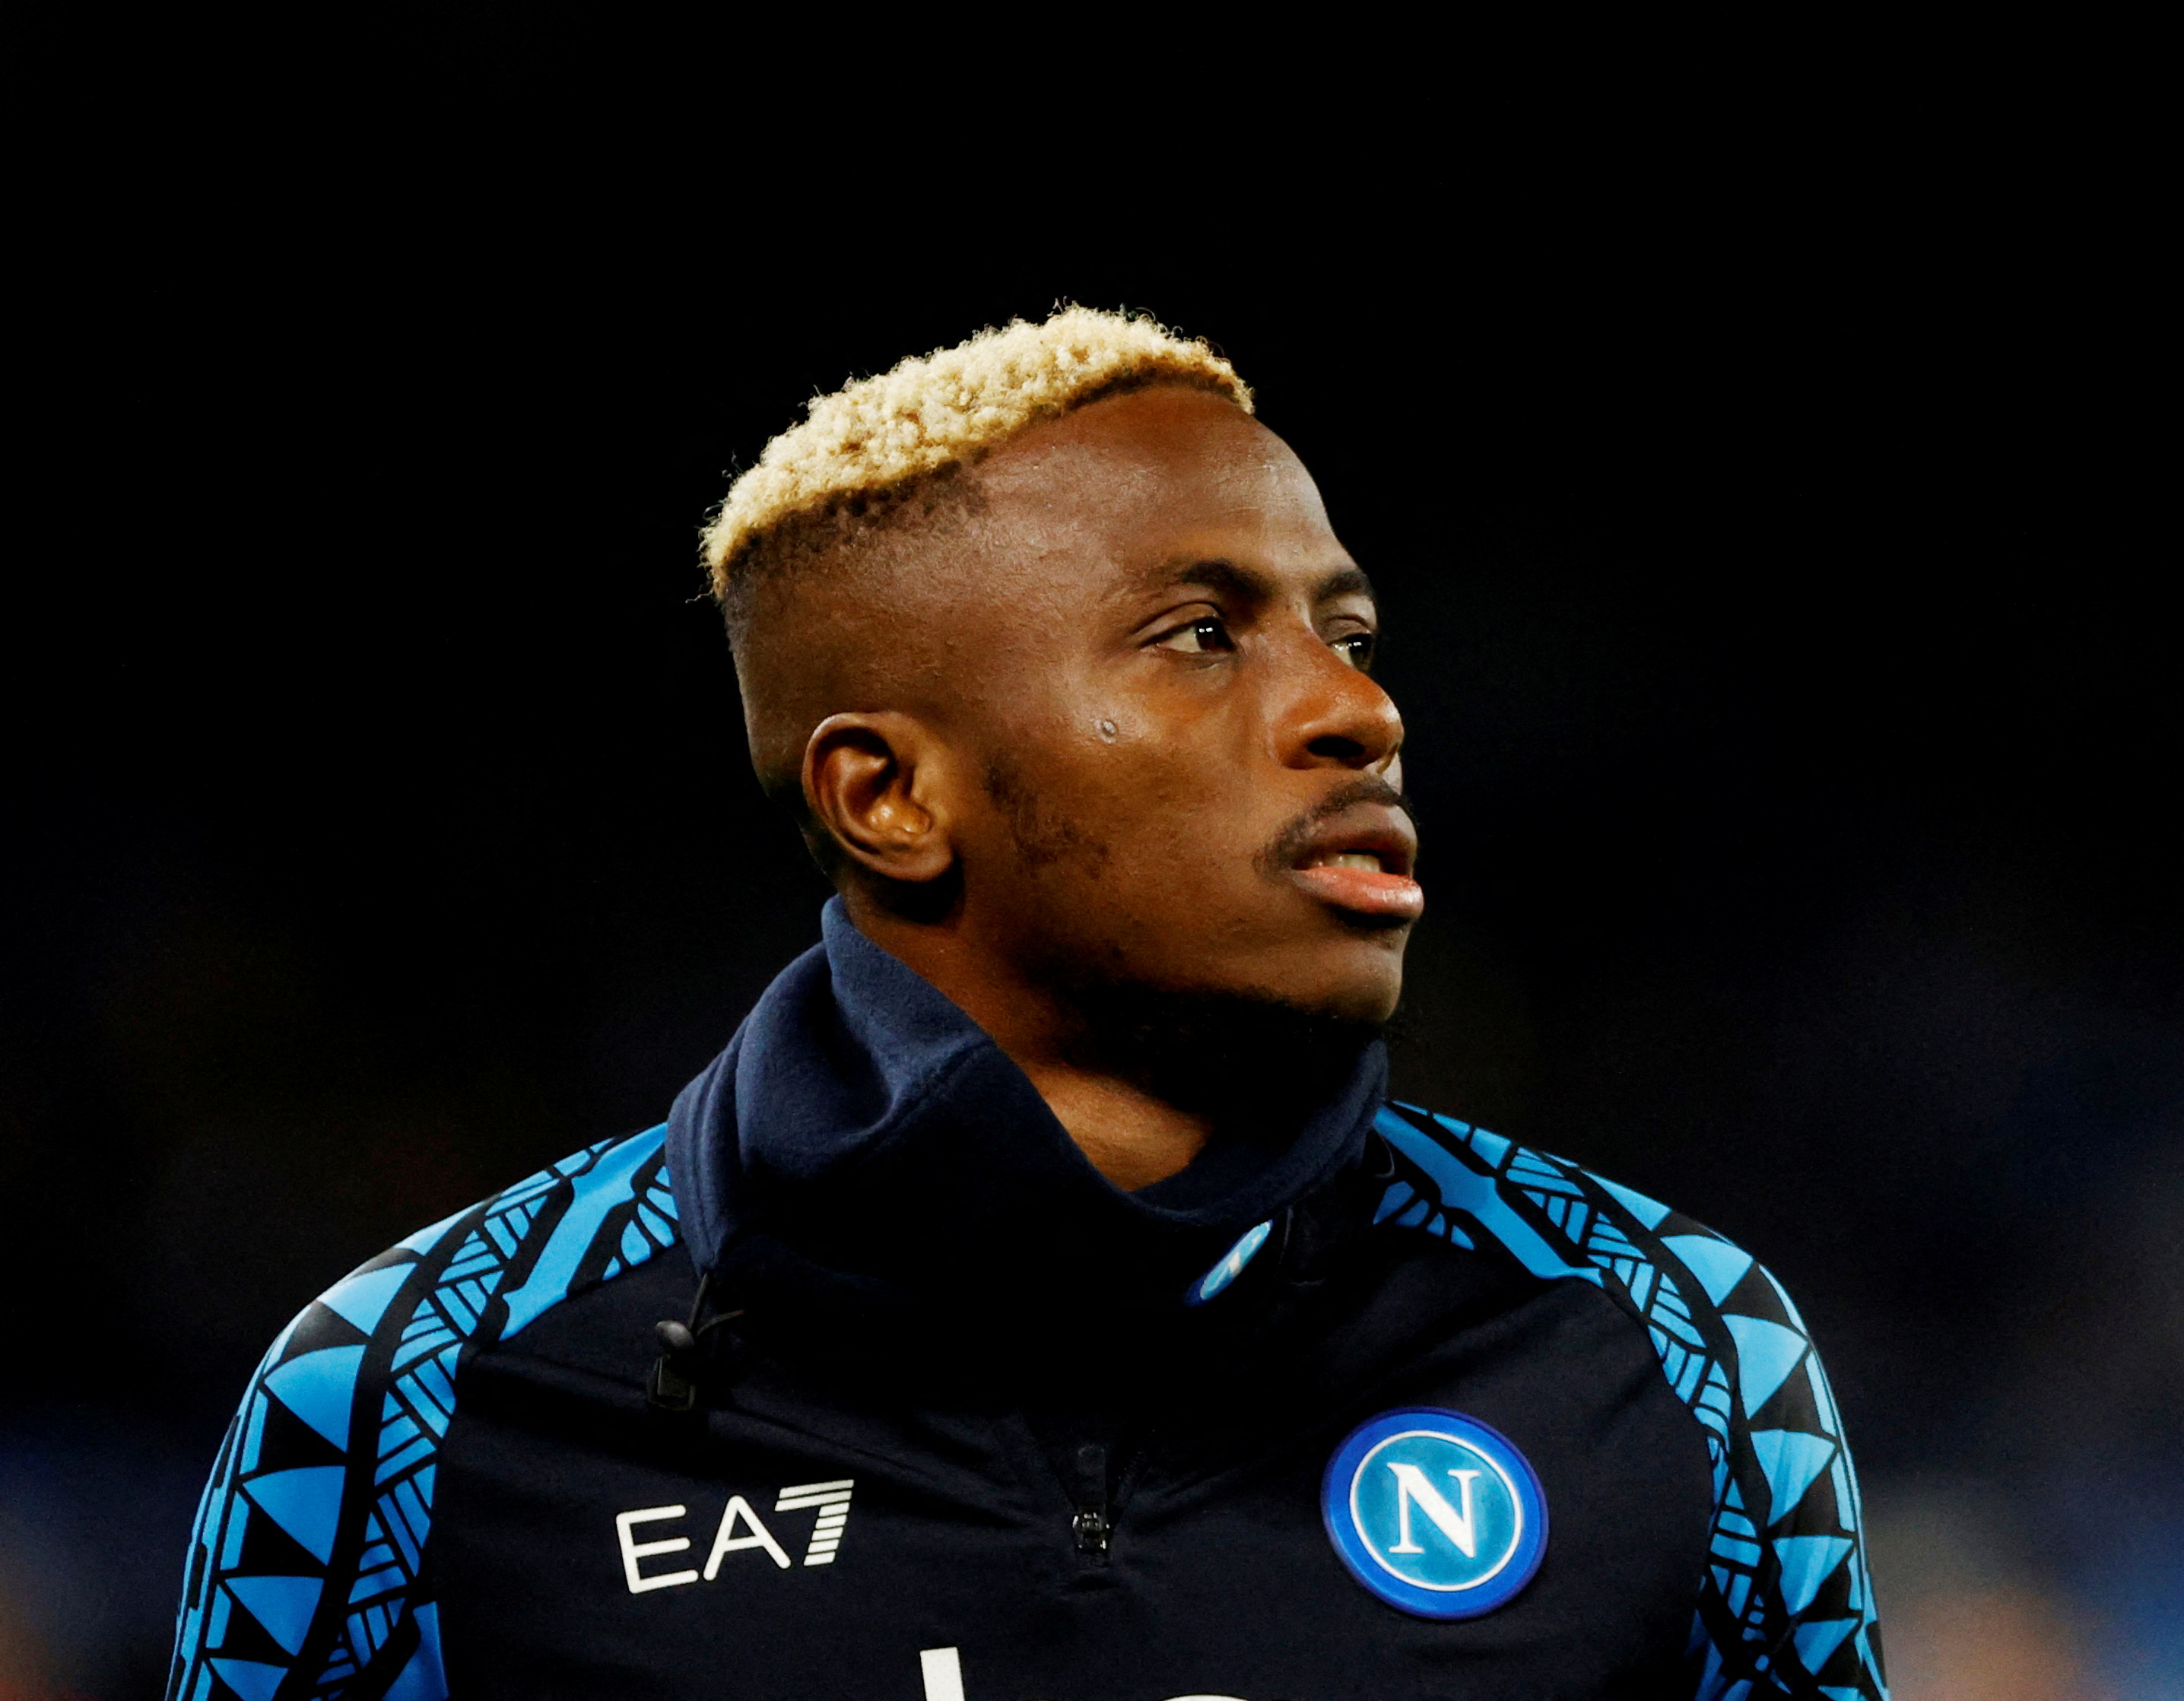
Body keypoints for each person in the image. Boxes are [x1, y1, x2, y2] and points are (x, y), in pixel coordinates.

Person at [167, 309, 1888, 1699]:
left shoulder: (1672, 1345)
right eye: (1200, 634)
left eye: (1345, 629)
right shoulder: (409, 1394)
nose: (1357, 709)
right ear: (888, 797)